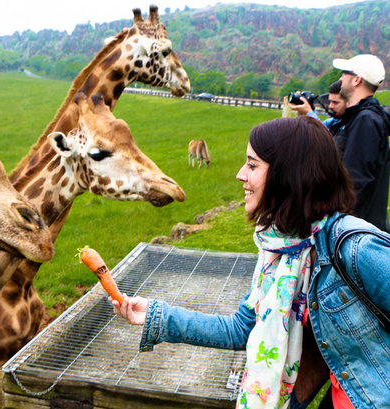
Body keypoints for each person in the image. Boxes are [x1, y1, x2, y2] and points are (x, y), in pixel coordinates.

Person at [111, 117, 390, 409]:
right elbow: (239, 329)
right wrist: (157, 316)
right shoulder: (280, 248)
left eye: (252, 165)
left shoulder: (355, 248)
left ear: (288, 174)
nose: (240, 174)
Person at [331, 54, 390, 232]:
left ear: (356, 79)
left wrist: (335, 226)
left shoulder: (366, 121)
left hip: (355, 231)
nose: (341, 78)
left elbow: (354, 182)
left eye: (344, 73)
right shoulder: (357, 118)